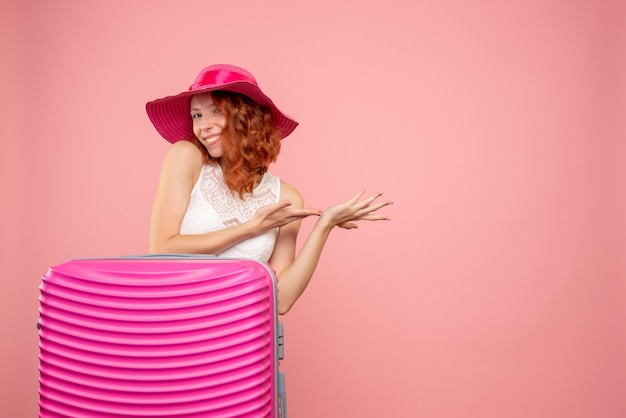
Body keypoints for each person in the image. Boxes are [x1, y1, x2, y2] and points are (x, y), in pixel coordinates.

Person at [146, 64, 391, 314]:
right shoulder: (186, 157)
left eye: (215, 111)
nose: (203, 125)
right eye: (197, 115)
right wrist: (251, 228)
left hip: (240, 332)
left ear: (246, 118)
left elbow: (281, 300)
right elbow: (161, 249)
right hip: (176, 325)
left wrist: (325, 224)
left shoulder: (286, 197)